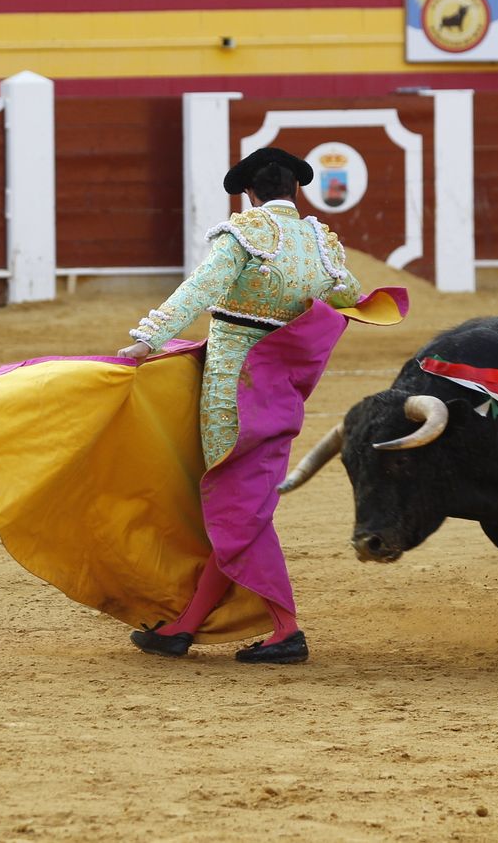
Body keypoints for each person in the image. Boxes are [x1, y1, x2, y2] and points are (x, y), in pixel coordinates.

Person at [119, 148, 365, 666]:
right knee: (244, 503)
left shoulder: (246, 231)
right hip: (280, 386)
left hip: (232, 383)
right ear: (295, 192)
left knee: (238, 504)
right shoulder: (323, 244)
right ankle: (183, 628)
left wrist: (149, 339)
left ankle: (285, 629)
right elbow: (351, 296)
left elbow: (201, 288)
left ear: (249, 194)